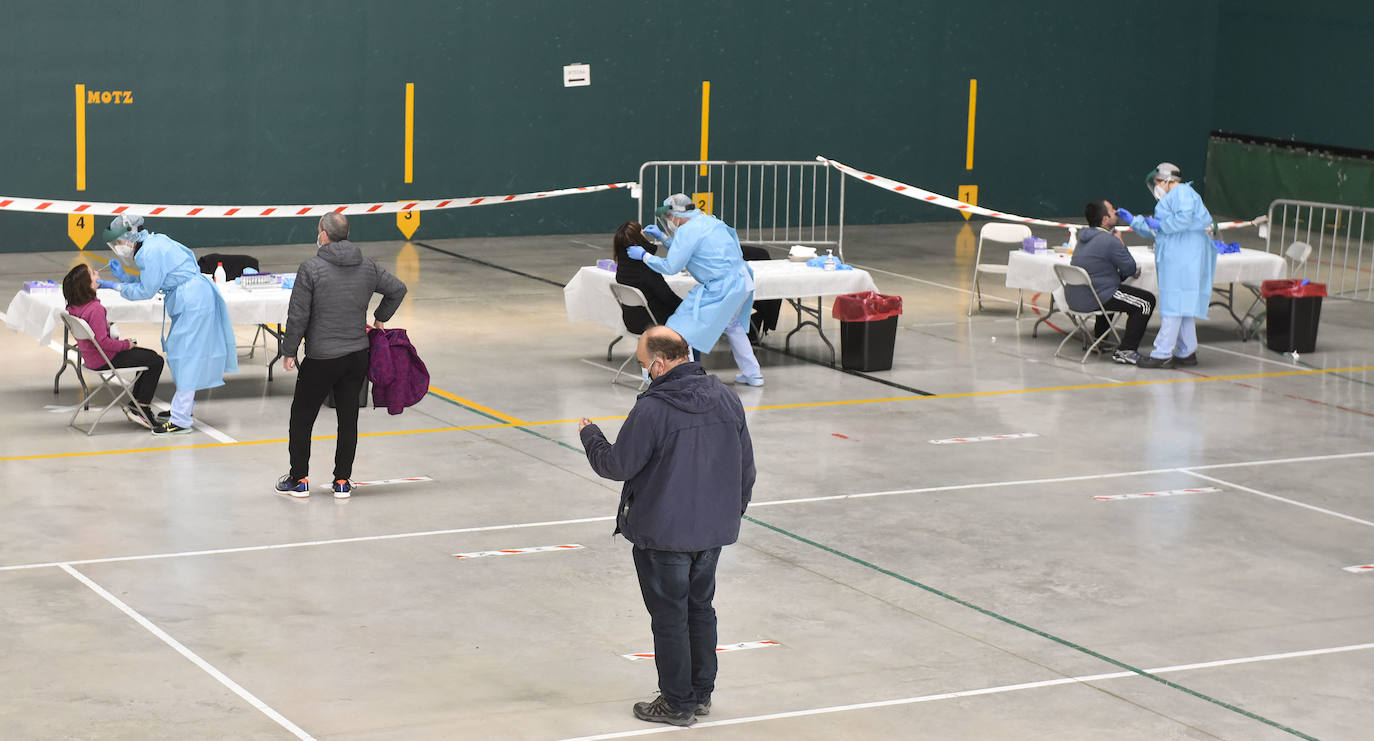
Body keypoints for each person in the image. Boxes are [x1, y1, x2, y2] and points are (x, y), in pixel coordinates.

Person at [577, 326, 755, 727]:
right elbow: (746, 468)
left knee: (670, 617)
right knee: (700, 608)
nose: (644, 372)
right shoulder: (727, 397)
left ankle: (677, 702)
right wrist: (731, 515)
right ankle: (700, 692)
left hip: (664, 535)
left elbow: (617, 465)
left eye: (642, 365)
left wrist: (591, 436)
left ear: (658, 363)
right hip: (712, 533)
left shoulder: (653, 409)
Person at [275, 213, 408, 499]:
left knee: (302, 416)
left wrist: (289, 350)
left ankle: (298, 479)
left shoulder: (311, 268)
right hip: (356, 356)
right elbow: (397, 289)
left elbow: (298, 315)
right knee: (348, 419)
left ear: (323, 234)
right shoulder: (368, 266)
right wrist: (380, 318)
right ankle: (342, 482)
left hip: (321, 358)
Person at [104, 215, 237, 435]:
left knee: (186, 357)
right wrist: (126, 278)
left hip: (193, 301)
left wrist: (116, 286)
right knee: (181, 353)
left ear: (129, 237)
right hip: (191, 297)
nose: (117, 247)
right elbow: (153, 281)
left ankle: (181, 419)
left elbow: (146, 291)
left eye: (118, 242)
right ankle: (182, 409)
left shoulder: (150, 252)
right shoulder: (154, 243)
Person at [628, 193, 764, 387]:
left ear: (676, 214)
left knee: (682, 328)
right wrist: (665, 239)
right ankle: (753, 374)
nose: (668, 221)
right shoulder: (707, 220)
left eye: (668, 217)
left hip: (722, 287)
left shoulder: (687, 231)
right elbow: (691, 249)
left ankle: (688, 378)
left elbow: (671, 266)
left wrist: (644, 256)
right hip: (742, 280)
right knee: (733, 327)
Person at [1117, 163, 1216, 368]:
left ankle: (1161, 354)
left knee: (1173, 307)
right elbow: (1158, 230)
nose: (1156, 187)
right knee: (1183, 308)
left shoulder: (1182, 192)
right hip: (1178, 258)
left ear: (1168, 180)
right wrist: (1135, 222)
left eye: (1157, 183)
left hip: (1182, 260)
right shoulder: (1171, 199)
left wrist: (1160, 225)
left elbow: (1181, 221)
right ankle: (1187, 351)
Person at [61, 262, 166, 428]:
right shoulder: (96, 309)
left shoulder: (74, 306)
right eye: (93, 274)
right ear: (88, 285)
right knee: (155, 360)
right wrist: (127, 344)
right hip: (105, 358)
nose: (97, 273)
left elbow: (94, 333)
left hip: (91, 359)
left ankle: (136, 405)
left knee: (146, 357)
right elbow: (103, 343)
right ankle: (142, 408)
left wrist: (105, 327)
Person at [1068, 200, 1156, 364]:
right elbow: (1130, 268)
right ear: (1105, 219)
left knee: (1113, 288)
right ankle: (1126, 350)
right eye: (1112, 210)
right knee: (1145, 302)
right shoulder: (1109, 240)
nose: (1116, 211)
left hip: (1076, 296)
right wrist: (1121, 243)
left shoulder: (1084, 237)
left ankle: (1100, 341)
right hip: (1094, 298)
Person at [613, 220, 682, 334]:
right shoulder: (646, 269)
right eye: (641, 231)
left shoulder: (622, 267)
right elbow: (668, 298)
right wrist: (687, 308)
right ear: (639, 238)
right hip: (651, 322)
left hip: (631, 321)